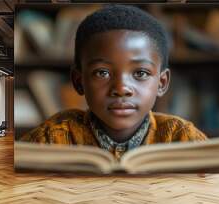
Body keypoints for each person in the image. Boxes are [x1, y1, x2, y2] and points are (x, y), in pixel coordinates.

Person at [20, 5, 207, 160]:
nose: (121, 89)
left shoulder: (182, 138)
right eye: (102, 73)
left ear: (162, 83)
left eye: (140, 73)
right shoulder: (51, 138)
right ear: (78, 82)